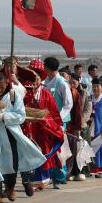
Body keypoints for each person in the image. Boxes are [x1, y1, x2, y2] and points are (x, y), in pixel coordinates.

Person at [0, 71, 45, 203]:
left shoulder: (14, 96)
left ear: (7, 83)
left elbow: (20, 115)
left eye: (0, 86)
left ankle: (10, 188)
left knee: (11, 164)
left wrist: (3, 116)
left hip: (9, 134)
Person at [21, 63, 63, 191]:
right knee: (30, 153)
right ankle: (31, 180)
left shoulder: (46, 94)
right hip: (29, 128)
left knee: (44, 152)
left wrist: (52, 124)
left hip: (44, 128)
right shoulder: (25, 93)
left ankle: (45, 179)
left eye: (38, 78)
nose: (36, 81)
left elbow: (54, 112)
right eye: (33, 78)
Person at [42, 57, 72, 185]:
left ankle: (61, 175)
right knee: (48, 148)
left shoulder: (62, 83)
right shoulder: (45, 82)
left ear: (48, 68)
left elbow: (68, 104)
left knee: (59, 149)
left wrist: (58, 118)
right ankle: (51, 174)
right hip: (46, 121)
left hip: (59, 122)